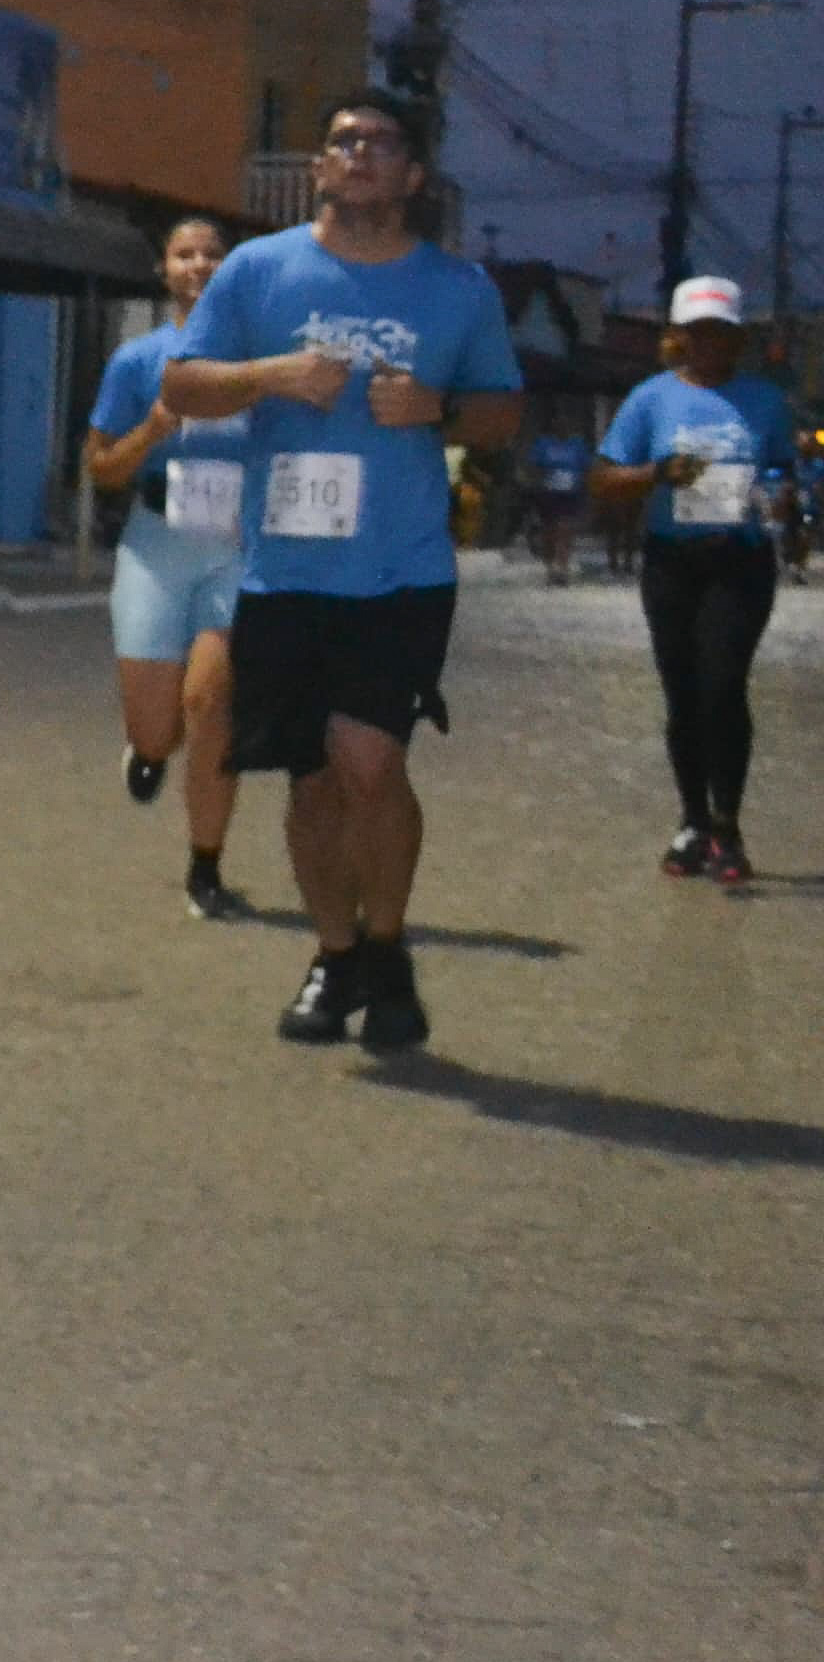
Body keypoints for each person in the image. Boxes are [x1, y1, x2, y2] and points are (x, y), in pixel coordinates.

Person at [164, 92, 522, 1053]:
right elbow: (182, 384)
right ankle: (337, 955)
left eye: (381, 143)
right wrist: (270, 375)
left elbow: (503, 413)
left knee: (371, 760)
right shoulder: (257, 270)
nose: (358, 154)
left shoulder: (458, 288)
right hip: (282, 571)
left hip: (399, 572)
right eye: (342, 142)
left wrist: (437, 406)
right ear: (320, 166)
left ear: (413, 175)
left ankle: (389, 941)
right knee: (311, 781)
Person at [591, 276, 794, 883]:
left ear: (739, 339)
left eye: (724, 334)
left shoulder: (765, 400)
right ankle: (692, 821)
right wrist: (658, 473)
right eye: (700, 334)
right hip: (672, 563)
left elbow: (785, 474)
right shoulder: (651, 400)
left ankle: (727, 826)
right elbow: (604, 478)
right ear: (678, 338)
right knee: (682, 693)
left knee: (723, 686)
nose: (712, 345)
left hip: (740, 560)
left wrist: (783, 501)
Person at [84, 216, 258, 921]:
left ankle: (206, 867)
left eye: (213, 254)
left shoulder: (258, 363)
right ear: (164, 270)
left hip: (237, 548)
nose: (200, 265)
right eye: (184, 253)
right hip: (159, 540)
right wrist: (152, 430)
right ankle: (149, 751)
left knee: (211, 704)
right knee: (159, 725)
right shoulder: (137, 361)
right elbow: (99, 468)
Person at [516, 425, 592, 584]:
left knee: (566, 529)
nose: (563, 426)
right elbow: (532, 466)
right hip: (549, 493)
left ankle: (563, 567)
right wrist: (537, 481)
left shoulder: (577, 445)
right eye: (559, 422)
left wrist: (586, 487)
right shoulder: (544, 444)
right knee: (549, 531)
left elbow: (587, 467)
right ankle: (550, 566)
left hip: (571, 492)